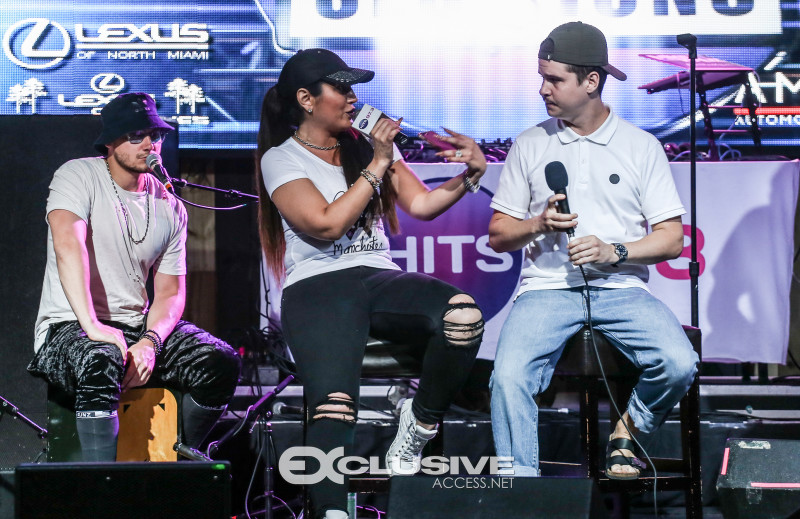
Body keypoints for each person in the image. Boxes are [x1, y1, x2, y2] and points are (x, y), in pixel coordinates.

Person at [256, 48, 487, 519]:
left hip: (378, 275)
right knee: (334, 405)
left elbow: (420, 205)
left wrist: (471, 175)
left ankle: (418, 424)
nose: (352, 98)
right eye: (340, 88)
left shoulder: (368, 145)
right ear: (306, 99)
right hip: (317, 286)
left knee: (463, 316)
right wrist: (378, 163)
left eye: (353, 89)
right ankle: (332, 510)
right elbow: (326, 225)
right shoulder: (281, 158)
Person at [488, 22, 699, 479]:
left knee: (679, 362)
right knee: (507, 378)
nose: (542, 89)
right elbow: (498, 234)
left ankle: (628, 433)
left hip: (622, 289)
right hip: (546, 289)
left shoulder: (640, 146)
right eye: (541, 78)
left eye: (554, 79)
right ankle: (518, 489)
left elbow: (671, 239)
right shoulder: (529, 143)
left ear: (591, 81)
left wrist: (613, 251)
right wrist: (538, 223)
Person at [29, 93, 241, 462]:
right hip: (70, 325)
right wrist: (93, 326)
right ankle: (103, 483)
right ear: (110, 143)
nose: (149, 144)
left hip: (134, 325)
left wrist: (150, 341)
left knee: (219, 361)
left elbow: (170, 292)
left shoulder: (170, 205)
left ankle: (176, 460)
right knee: (101, 357)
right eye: (135, 136)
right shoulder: (78, 175)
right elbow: (68, 245)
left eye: (155, 135)